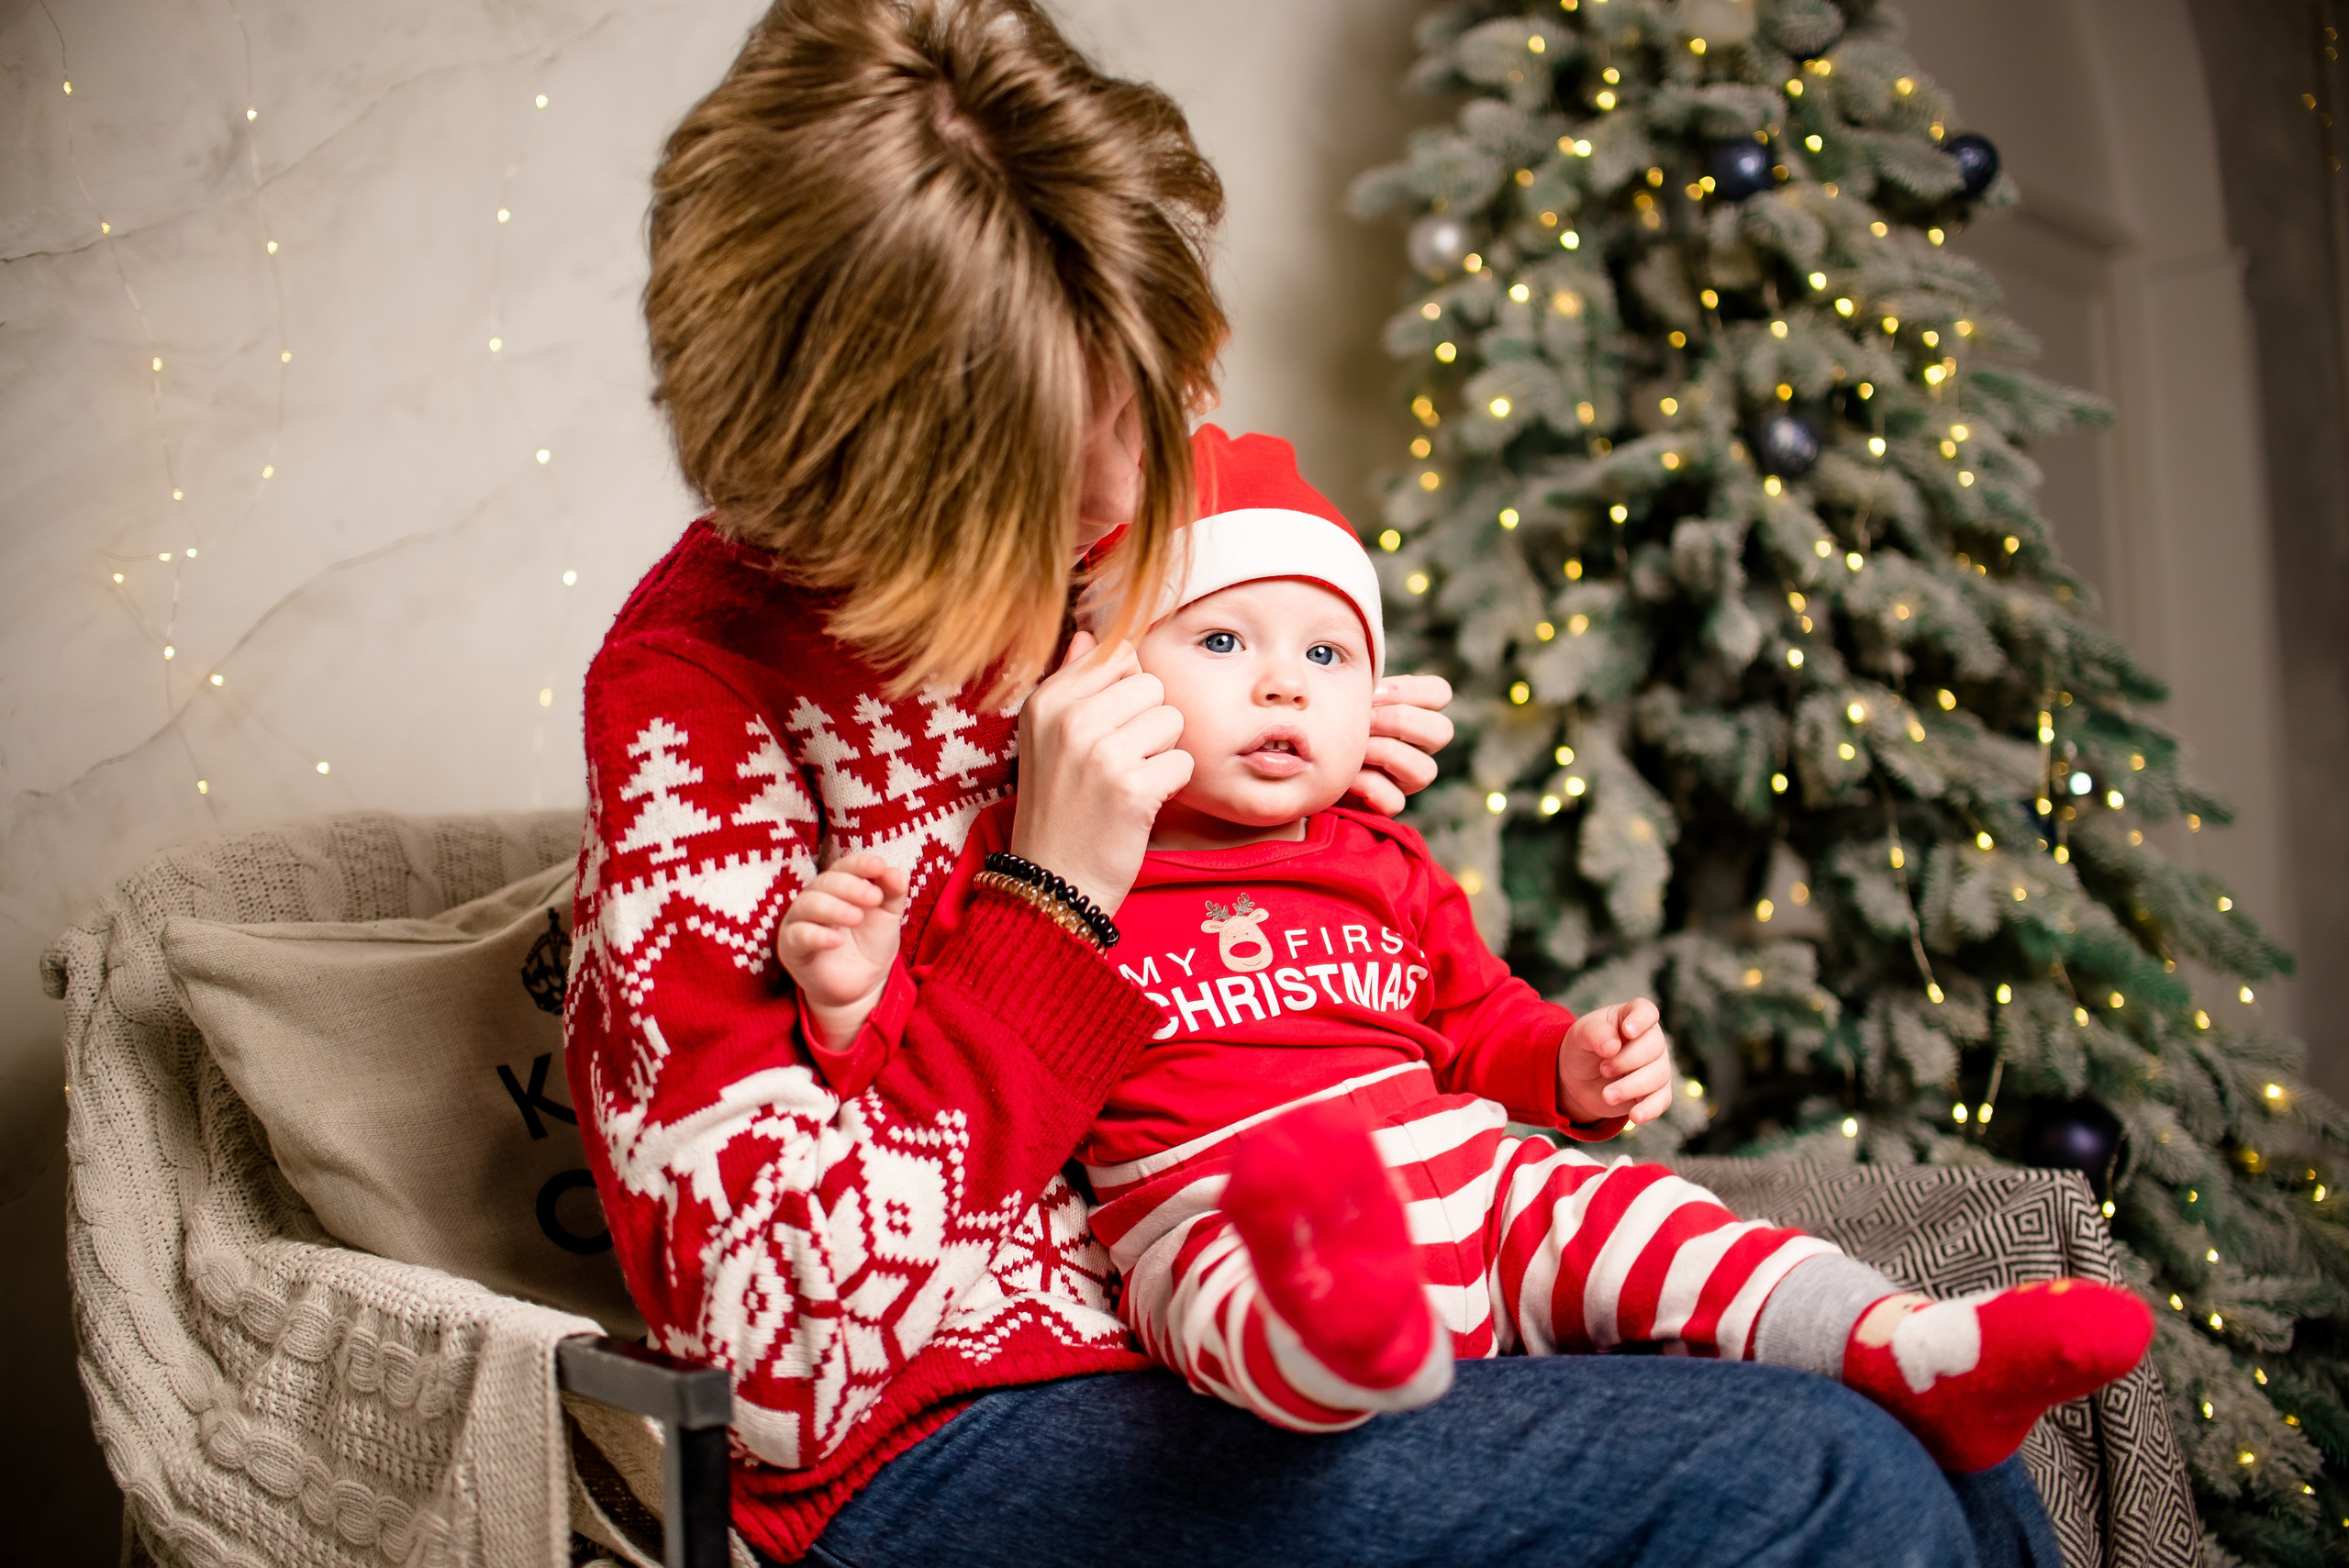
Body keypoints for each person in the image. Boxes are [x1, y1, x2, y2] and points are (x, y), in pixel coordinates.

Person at [571, 0, 2073, 1562]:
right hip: (964, 1423)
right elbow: (786, 1360)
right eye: (1062, 464)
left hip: (1291, 1309)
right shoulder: (699, 704)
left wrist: (1311, 756)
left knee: (1933, 1432)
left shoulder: (1116, 532)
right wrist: (1049, 894)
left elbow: (1295, 962)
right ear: (873, 467)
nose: (1138, 488)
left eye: (1149, 408)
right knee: (1822, 1476)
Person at [783, 424, 2154, 1461]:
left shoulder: (1375, 854)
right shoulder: (1060, 852)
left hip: (1465, 1170)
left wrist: (1570, 1061)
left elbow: (1477, 1018)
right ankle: (1345, 1345)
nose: (1282, 682)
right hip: (1225, 1203)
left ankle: (1908, 1342)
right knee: (1232, 1302)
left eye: (1328, 656)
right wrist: (852, 993)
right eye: (1222, 639)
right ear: (1103, 681)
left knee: (1651, 1216)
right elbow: (952, 1046)